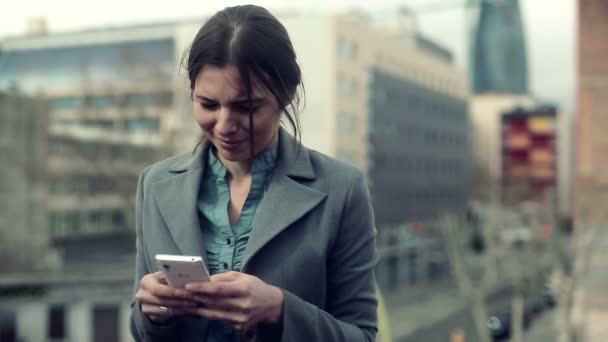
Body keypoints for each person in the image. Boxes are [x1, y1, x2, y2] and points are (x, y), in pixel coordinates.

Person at [129, 5, 378, 342]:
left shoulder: (341, 190)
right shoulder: (155, 185)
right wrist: (153, 311)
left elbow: (362, 335)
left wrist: (280, 310)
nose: (225, 126)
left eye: (246, 108)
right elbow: (142, 330)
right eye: (208, 104)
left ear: (286, 95)